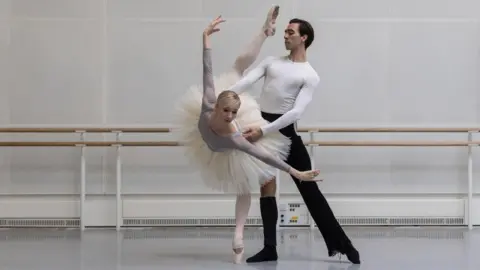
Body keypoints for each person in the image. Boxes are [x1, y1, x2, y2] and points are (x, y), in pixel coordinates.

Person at [174, 8, 321, 264]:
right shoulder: (210, 103)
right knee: (237, 67)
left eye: (234, 112)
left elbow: (267, 156)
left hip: (223, 139)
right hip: (215, 136)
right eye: (228, 111)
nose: (231, 116)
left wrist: (296, 173)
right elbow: (207, 67)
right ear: (219, 107)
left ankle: (238, 235)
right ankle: (264, 31)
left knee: (244, 185)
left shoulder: (233, 132)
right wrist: (205, 38)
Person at [225, 18, 361, 264]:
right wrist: (224, 97)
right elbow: (245, 82)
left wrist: (264, 131)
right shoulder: (271, 62)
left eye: (290, 32)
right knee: (267, 188)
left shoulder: (310, 75)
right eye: (285, 32)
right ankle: (269, 248)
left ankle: (343, 245)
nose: (285, 36)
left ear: (304, 37)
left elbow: (296, 113)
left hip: (283, 130)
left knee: (310, 189)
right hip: (261, 124)